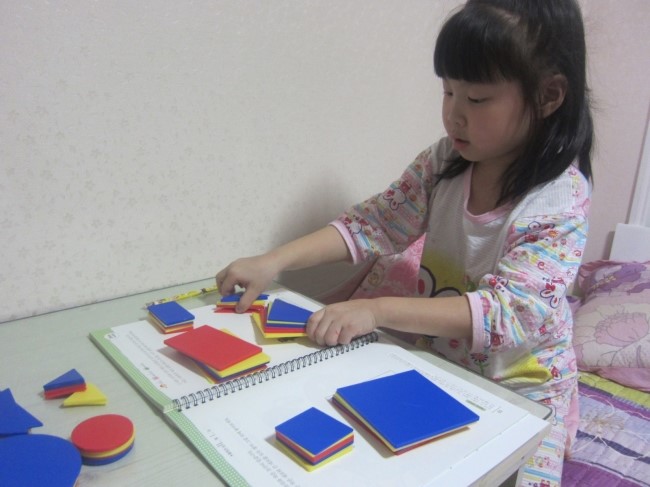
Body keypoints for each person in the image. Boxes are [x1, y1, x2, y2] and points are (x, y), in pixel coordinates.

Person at [216, 1, 593, 485]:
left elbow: (509, 312)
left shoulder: (561, 198)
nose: (454, 115)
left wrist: (376, 310)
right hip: (443, 367)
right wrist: (273, 261)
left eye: (477, 99)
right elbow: (374, 223)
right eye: (448, 91)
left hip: (526, 388)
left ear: (548, 96)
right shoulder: (443, 162)